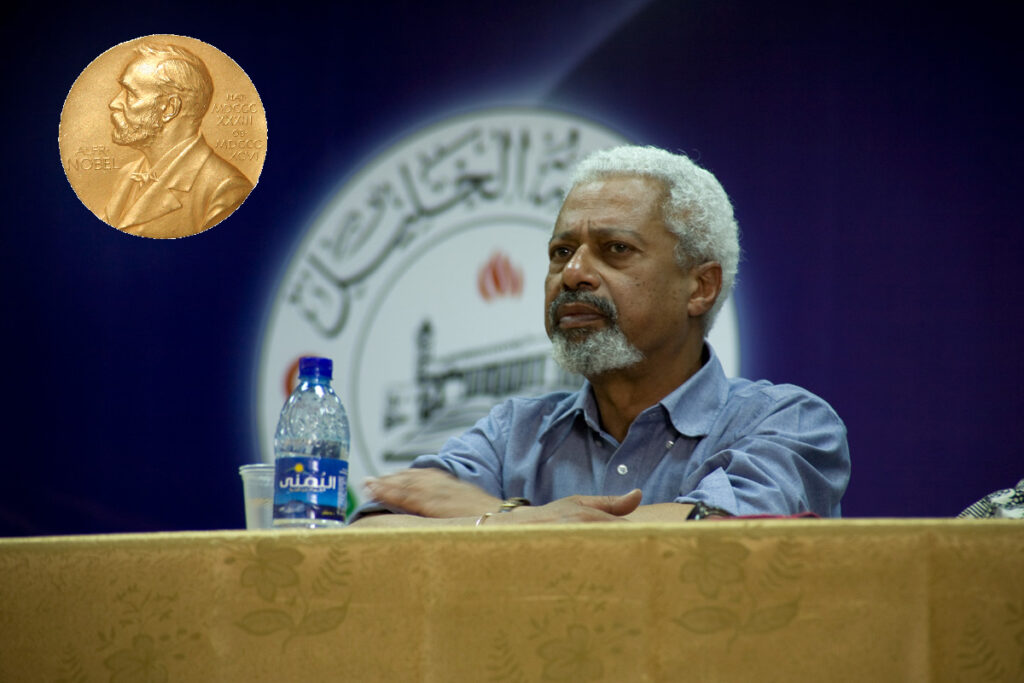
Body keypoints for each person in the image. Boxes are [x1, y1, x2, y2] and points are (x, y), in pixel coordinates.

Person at [349, 145, 849, 526]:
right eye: (562, 252)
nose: (573, 274)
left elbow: (724, 538)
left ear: (700, 287)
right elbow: (372, 531)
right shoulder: (514, 433)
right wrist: (519, 522)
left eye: (615, 249)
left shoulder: (789, 424)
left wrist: (501, 519)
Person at [104, 43, 253, 238]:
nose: (114, 103)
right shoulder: (127, 175)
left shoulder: (225, 191)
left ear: (169, 108)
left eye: (130, 93)